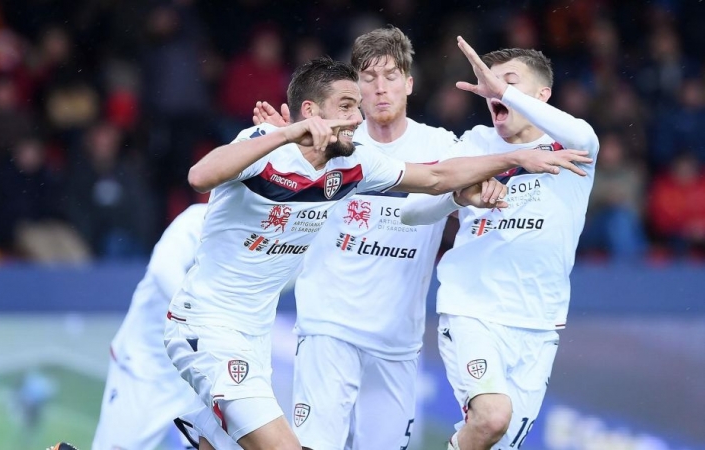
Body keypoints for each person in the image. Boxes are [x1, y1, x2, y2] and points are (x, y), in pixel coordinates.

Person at [163, 56, 592, 450]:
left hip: (255, 330)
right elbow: (200, 176)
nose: (358, 117)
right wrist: (286, 133)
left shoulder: (354, 164)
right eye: (347, 107)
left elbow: (437, 178)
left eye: (357, 107)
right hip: (207, 323)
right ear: (311, 112)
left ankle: (207, 430)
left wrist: (514, 158)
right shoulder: (266, 144)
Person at [252, 26, 501, 450]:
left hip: (397, 343)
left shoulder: (442, 147)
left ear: (409, 83)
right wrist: (284, 146)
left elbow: (476, 189)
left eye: (390, 76)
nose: (380, 88)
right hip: (329, 328)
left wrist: (487, 185)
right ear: (356, 88)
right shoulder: (330, 143)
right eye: (368, 78)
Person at [400, 37, 600, 450]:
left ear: (542, 95)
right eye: (490, 82)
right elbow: (411, 212)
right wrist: (460, 197)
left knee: (497, 440)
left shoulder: (574, 144)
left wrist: (503, 92)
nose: (493, 89)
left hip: (539, 321)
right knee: (492, 416)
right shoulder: (474, 144)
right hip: (473, 310)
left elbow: (582, 131)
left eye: (509, 81)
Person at [92, 203, 241, 450]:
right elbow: (162, 268)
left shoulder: (265, 232)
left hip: (203, 373)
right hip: (146, 367)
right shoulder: (199, 219)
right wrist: (204, 317)